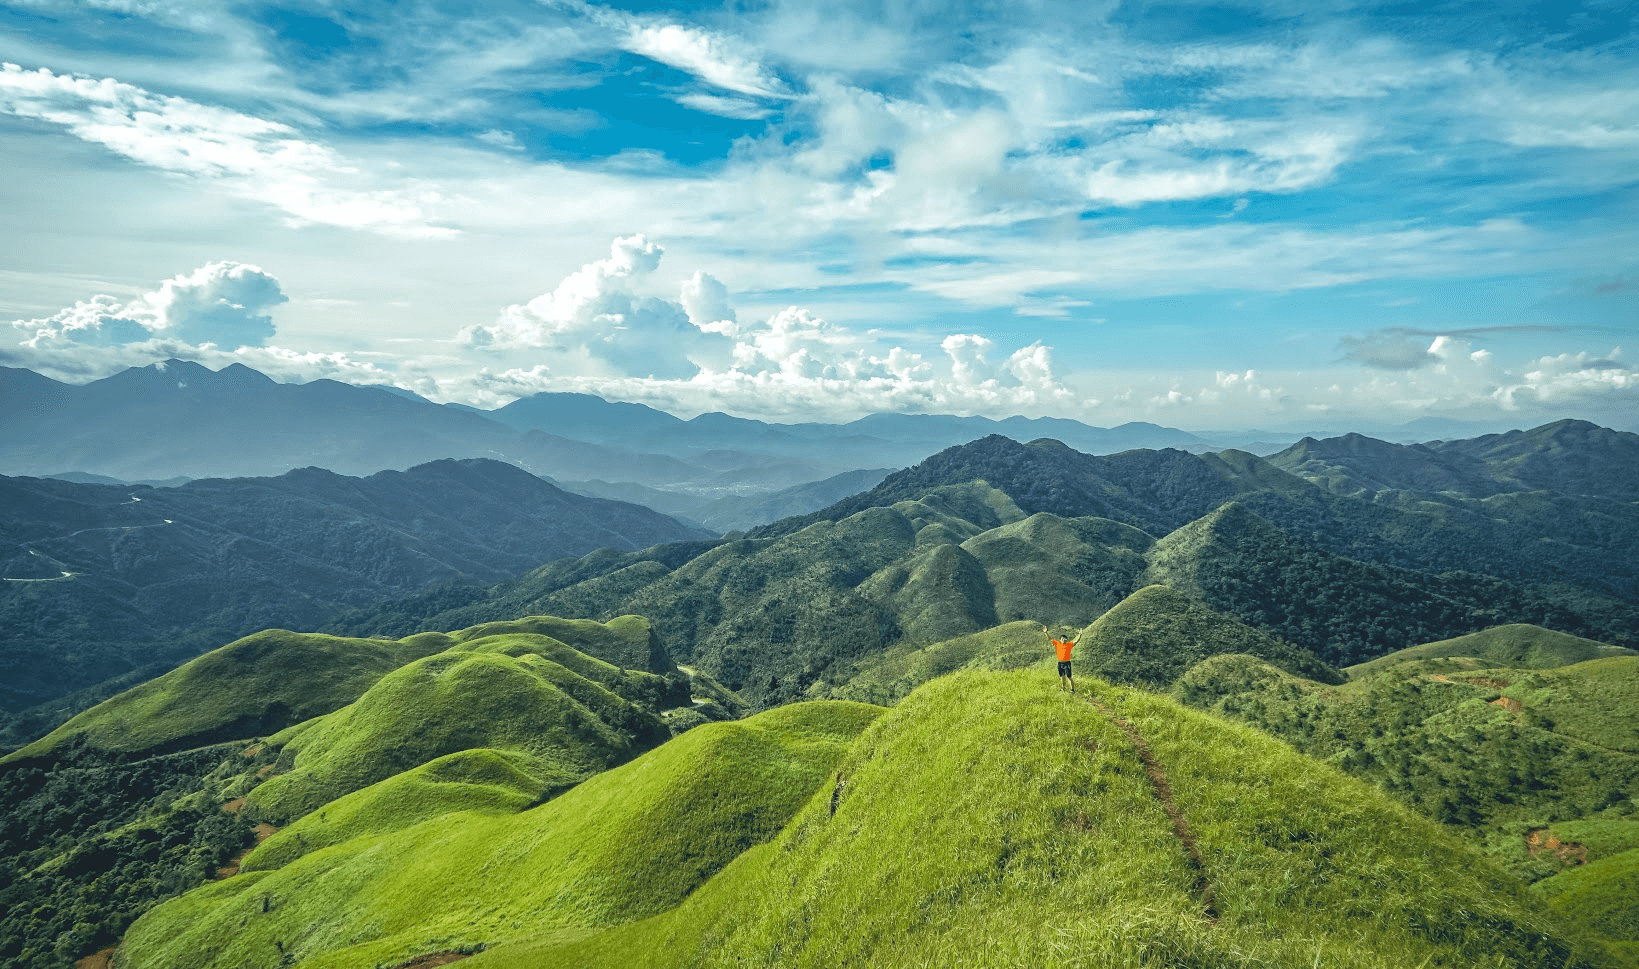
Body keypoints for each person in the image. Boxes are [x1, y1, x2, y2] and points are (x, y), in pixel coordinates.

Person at [1042, 623, 1079, 693]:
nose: (1064, 640)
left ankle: (1072, 689)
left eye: (1065, 639)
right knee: (1062, 677)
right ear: (1060, 639)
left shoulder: (1069, 645)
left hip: (1067, 663)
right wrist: (1046, 632)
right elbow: (1050, 639)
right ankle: (1063, 688)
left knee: (1069, 677)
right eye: (1063, 639)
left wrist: (1080, 635)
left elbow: (1076, 641)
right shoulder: (1058, 644)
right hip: (1060, 663)